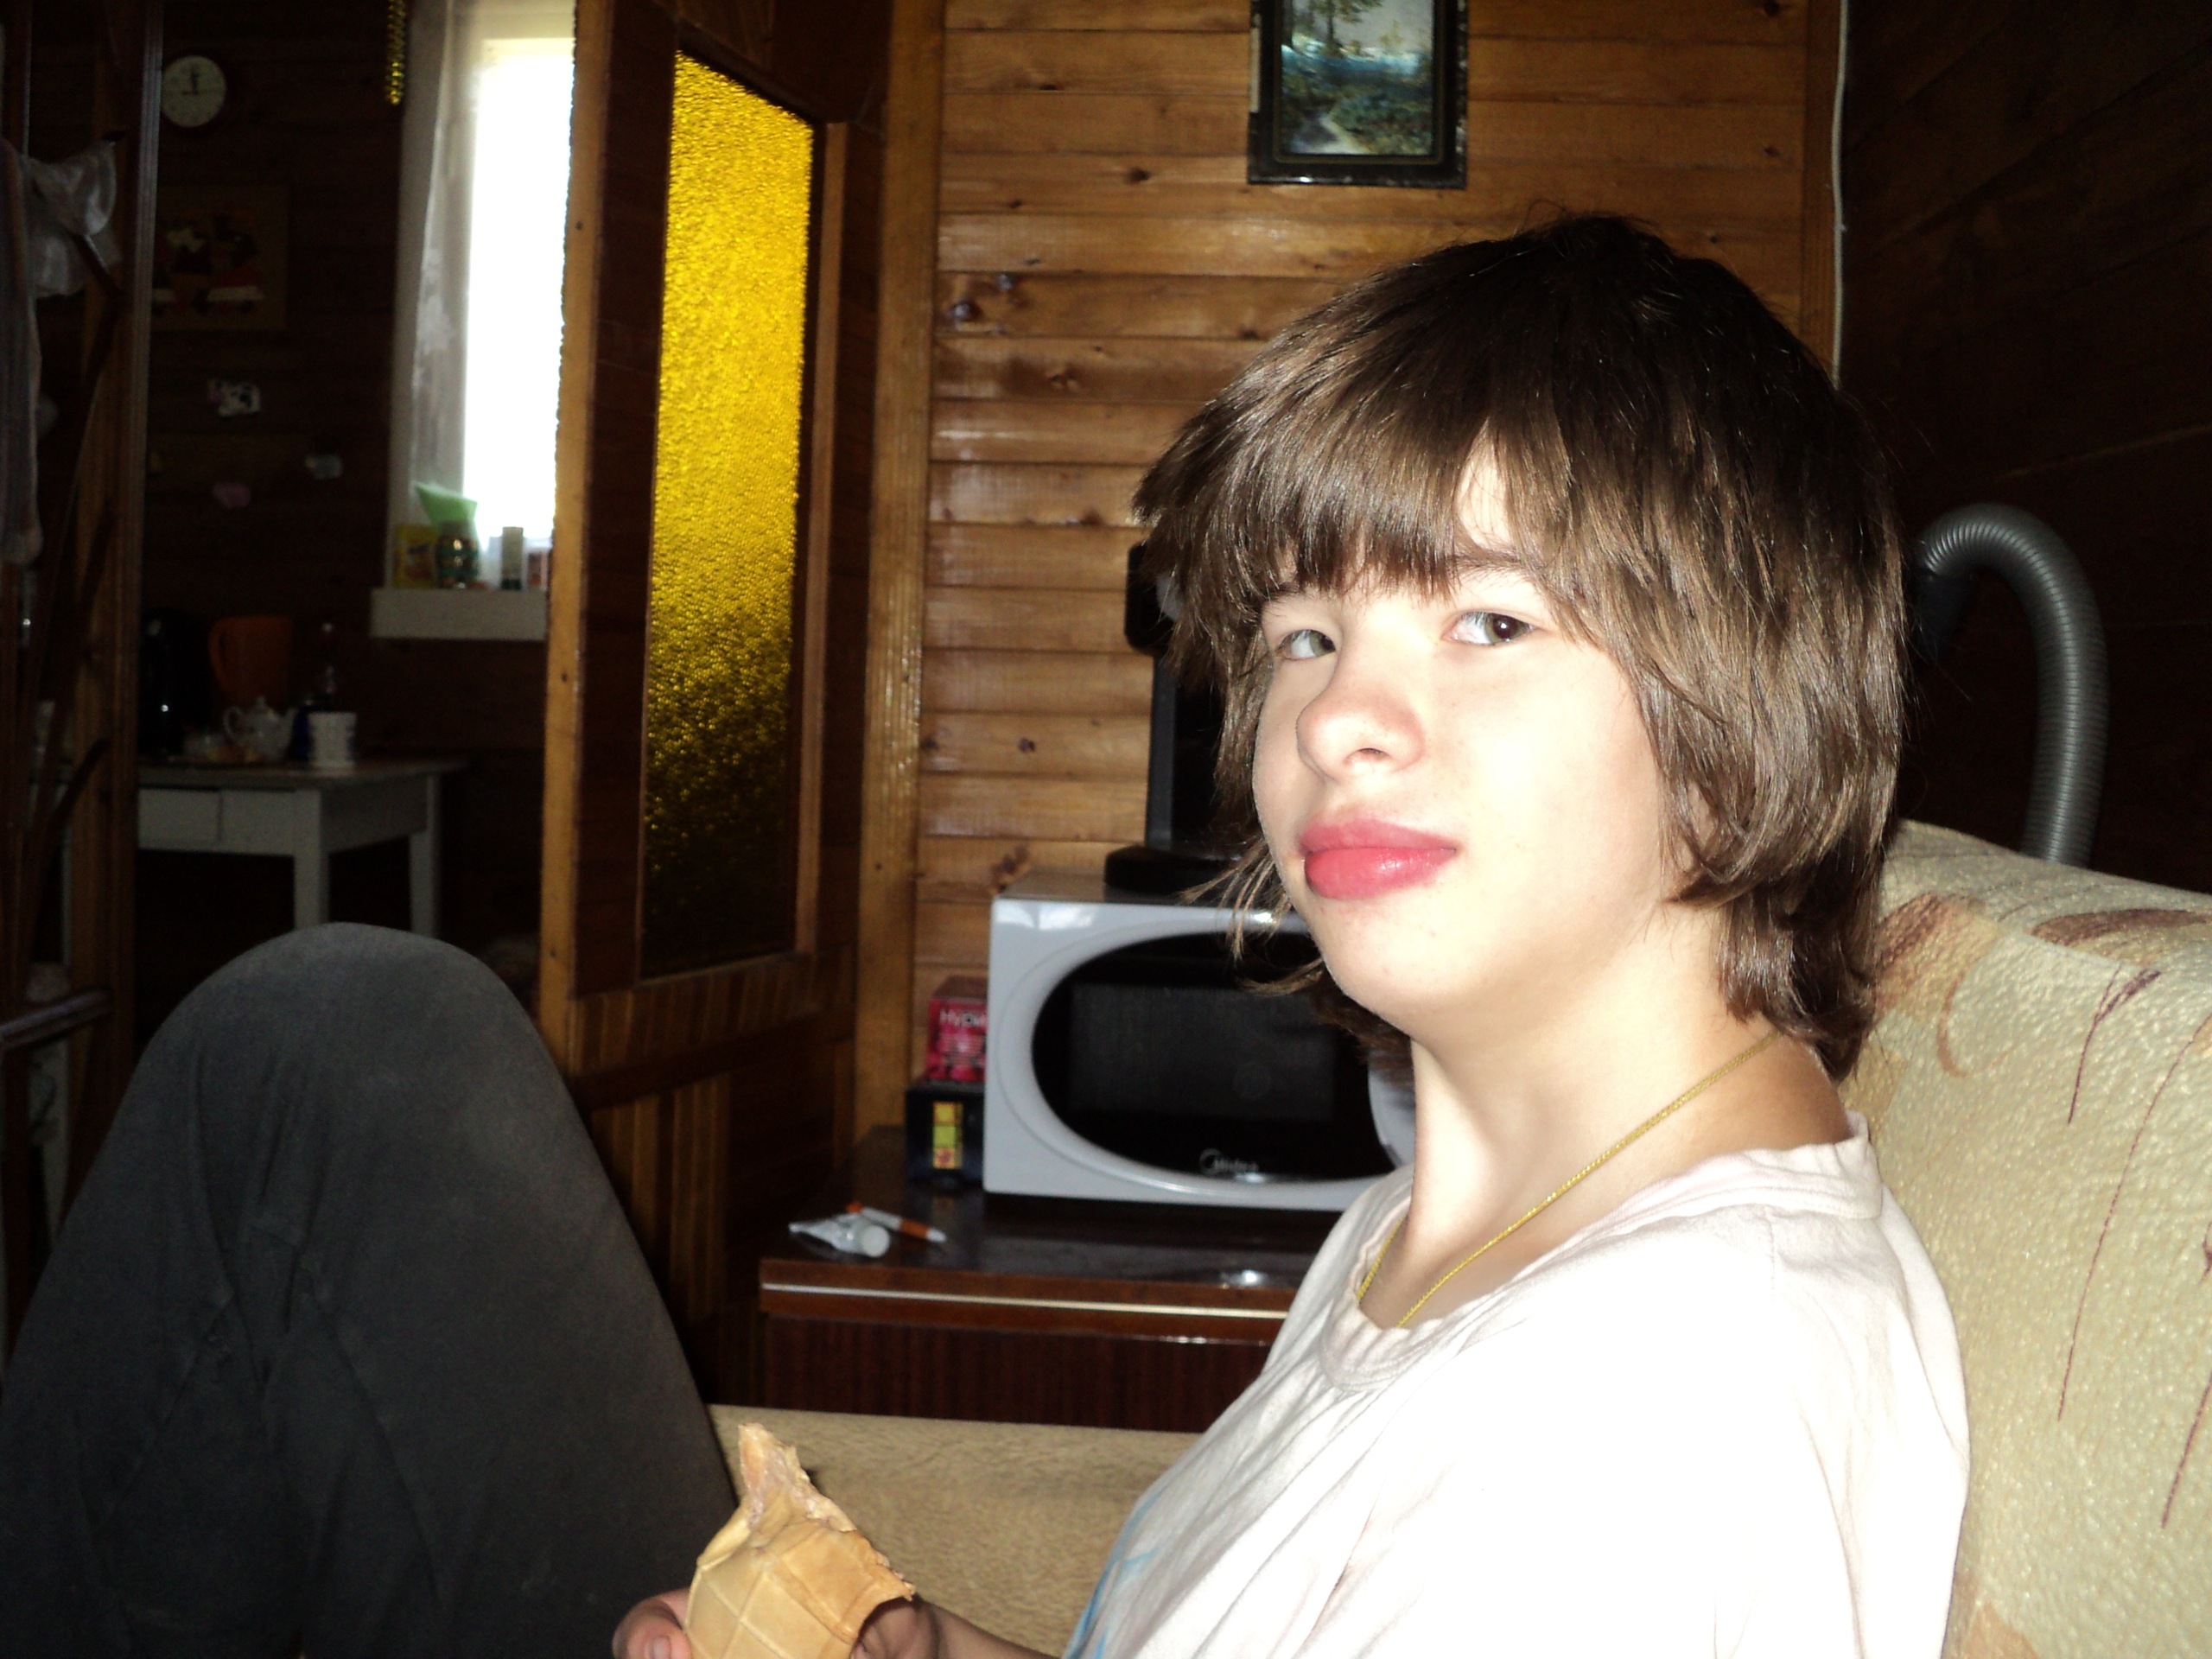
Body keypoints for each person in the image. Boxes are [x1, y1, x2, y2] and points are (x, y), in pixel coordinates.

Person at [628, 215, 1970, 1656]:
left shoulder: (1653, 1410)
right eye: (1306, 638)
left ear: (1748, 715)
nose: (1332, 721)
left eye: (1491, 622)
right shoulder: (1429, 1227)